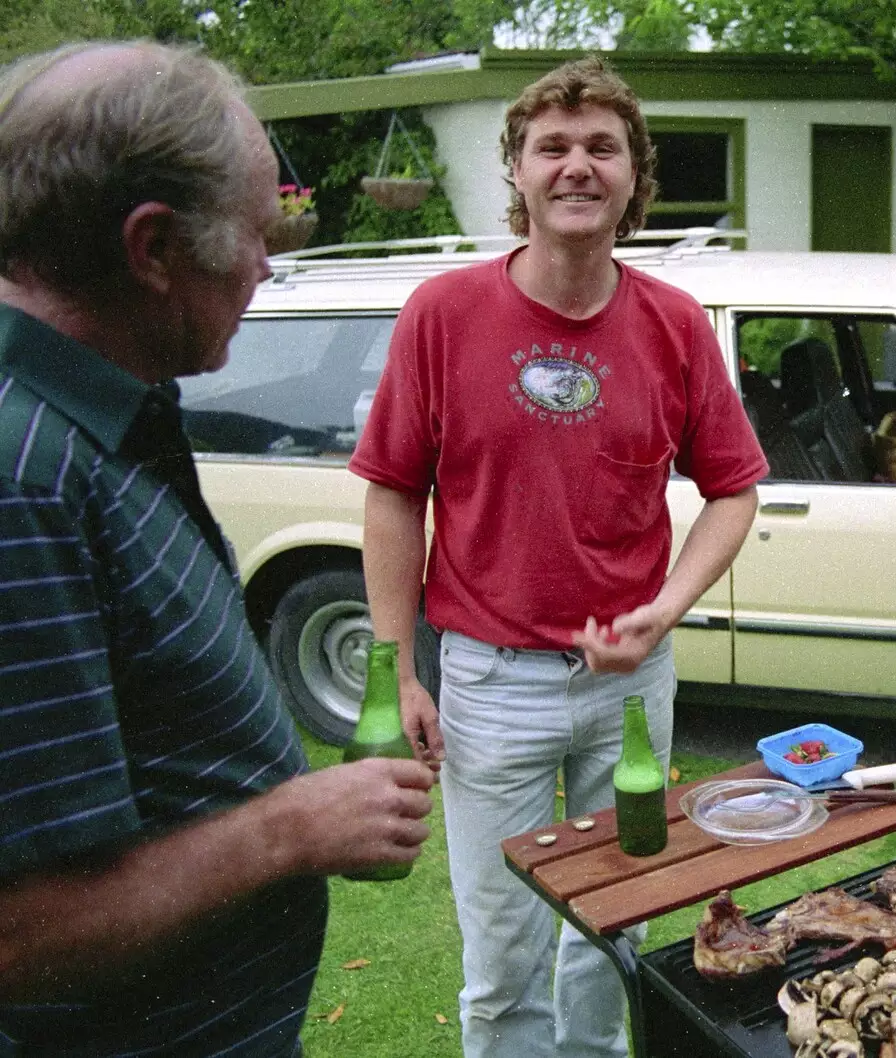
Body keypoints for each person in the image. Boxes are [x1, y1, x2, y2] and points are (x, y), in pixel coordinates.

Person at [0, 41, 437, 1056]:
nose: (268, 261)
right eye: (254, 230)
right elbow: (19, 933)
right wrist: (292, 826)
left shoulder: (104, 414)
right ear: (152, 248)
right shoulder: (23, 482)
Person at [350, 56, 766, 1058]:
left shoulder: (671, 325)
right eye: (553, 147)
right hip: (491, 682)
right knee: (503, 955)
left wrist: (664, 609)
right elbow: (394, 491)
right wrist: (400, 666)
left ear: (633, 175)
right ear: (519, 173)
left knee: (618, 928)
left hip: (632, 688)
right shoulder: (443, 316)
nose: (576, 166)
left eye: (601, 147)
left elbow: (734, 488)